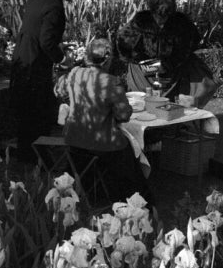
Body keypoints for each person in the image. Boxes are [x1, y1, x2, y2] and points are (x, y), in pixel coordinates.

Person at [56, 38, 153, 206]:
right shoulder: (110, 81)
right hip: (102, 143)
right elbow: (124, 115)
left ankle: (98, 189)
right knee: (129, 150)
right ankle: (138, 199)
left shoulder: (74, 74)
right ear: (108, 59)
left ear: (87, 56)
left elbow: (58, 90)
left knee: (119, 149)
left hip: (74, 140)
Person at [9, 0, 84, 162]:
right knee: (37, 111)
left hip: (22, 58)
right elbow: (46, 41)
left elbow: (35, 29)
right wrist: (62, 59)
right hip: (35, 65)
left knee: (24, 111)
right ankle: (38, 157)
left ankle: (26, 153)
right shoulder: (55, 6)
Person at [117, 0, 217, 107]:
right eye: (158, 16)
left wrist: (171, 63)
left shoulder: (181, 22)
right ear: (152, 11)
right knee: (145, 102)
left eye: (165, 17)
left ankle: (176, 121)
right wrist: (140, 60)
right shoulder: (141, 20)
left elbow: (193, 43)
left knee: (174, 103)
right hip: (142, 71)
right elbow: (123, 43)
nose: (161, 20)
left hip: (172, 71)